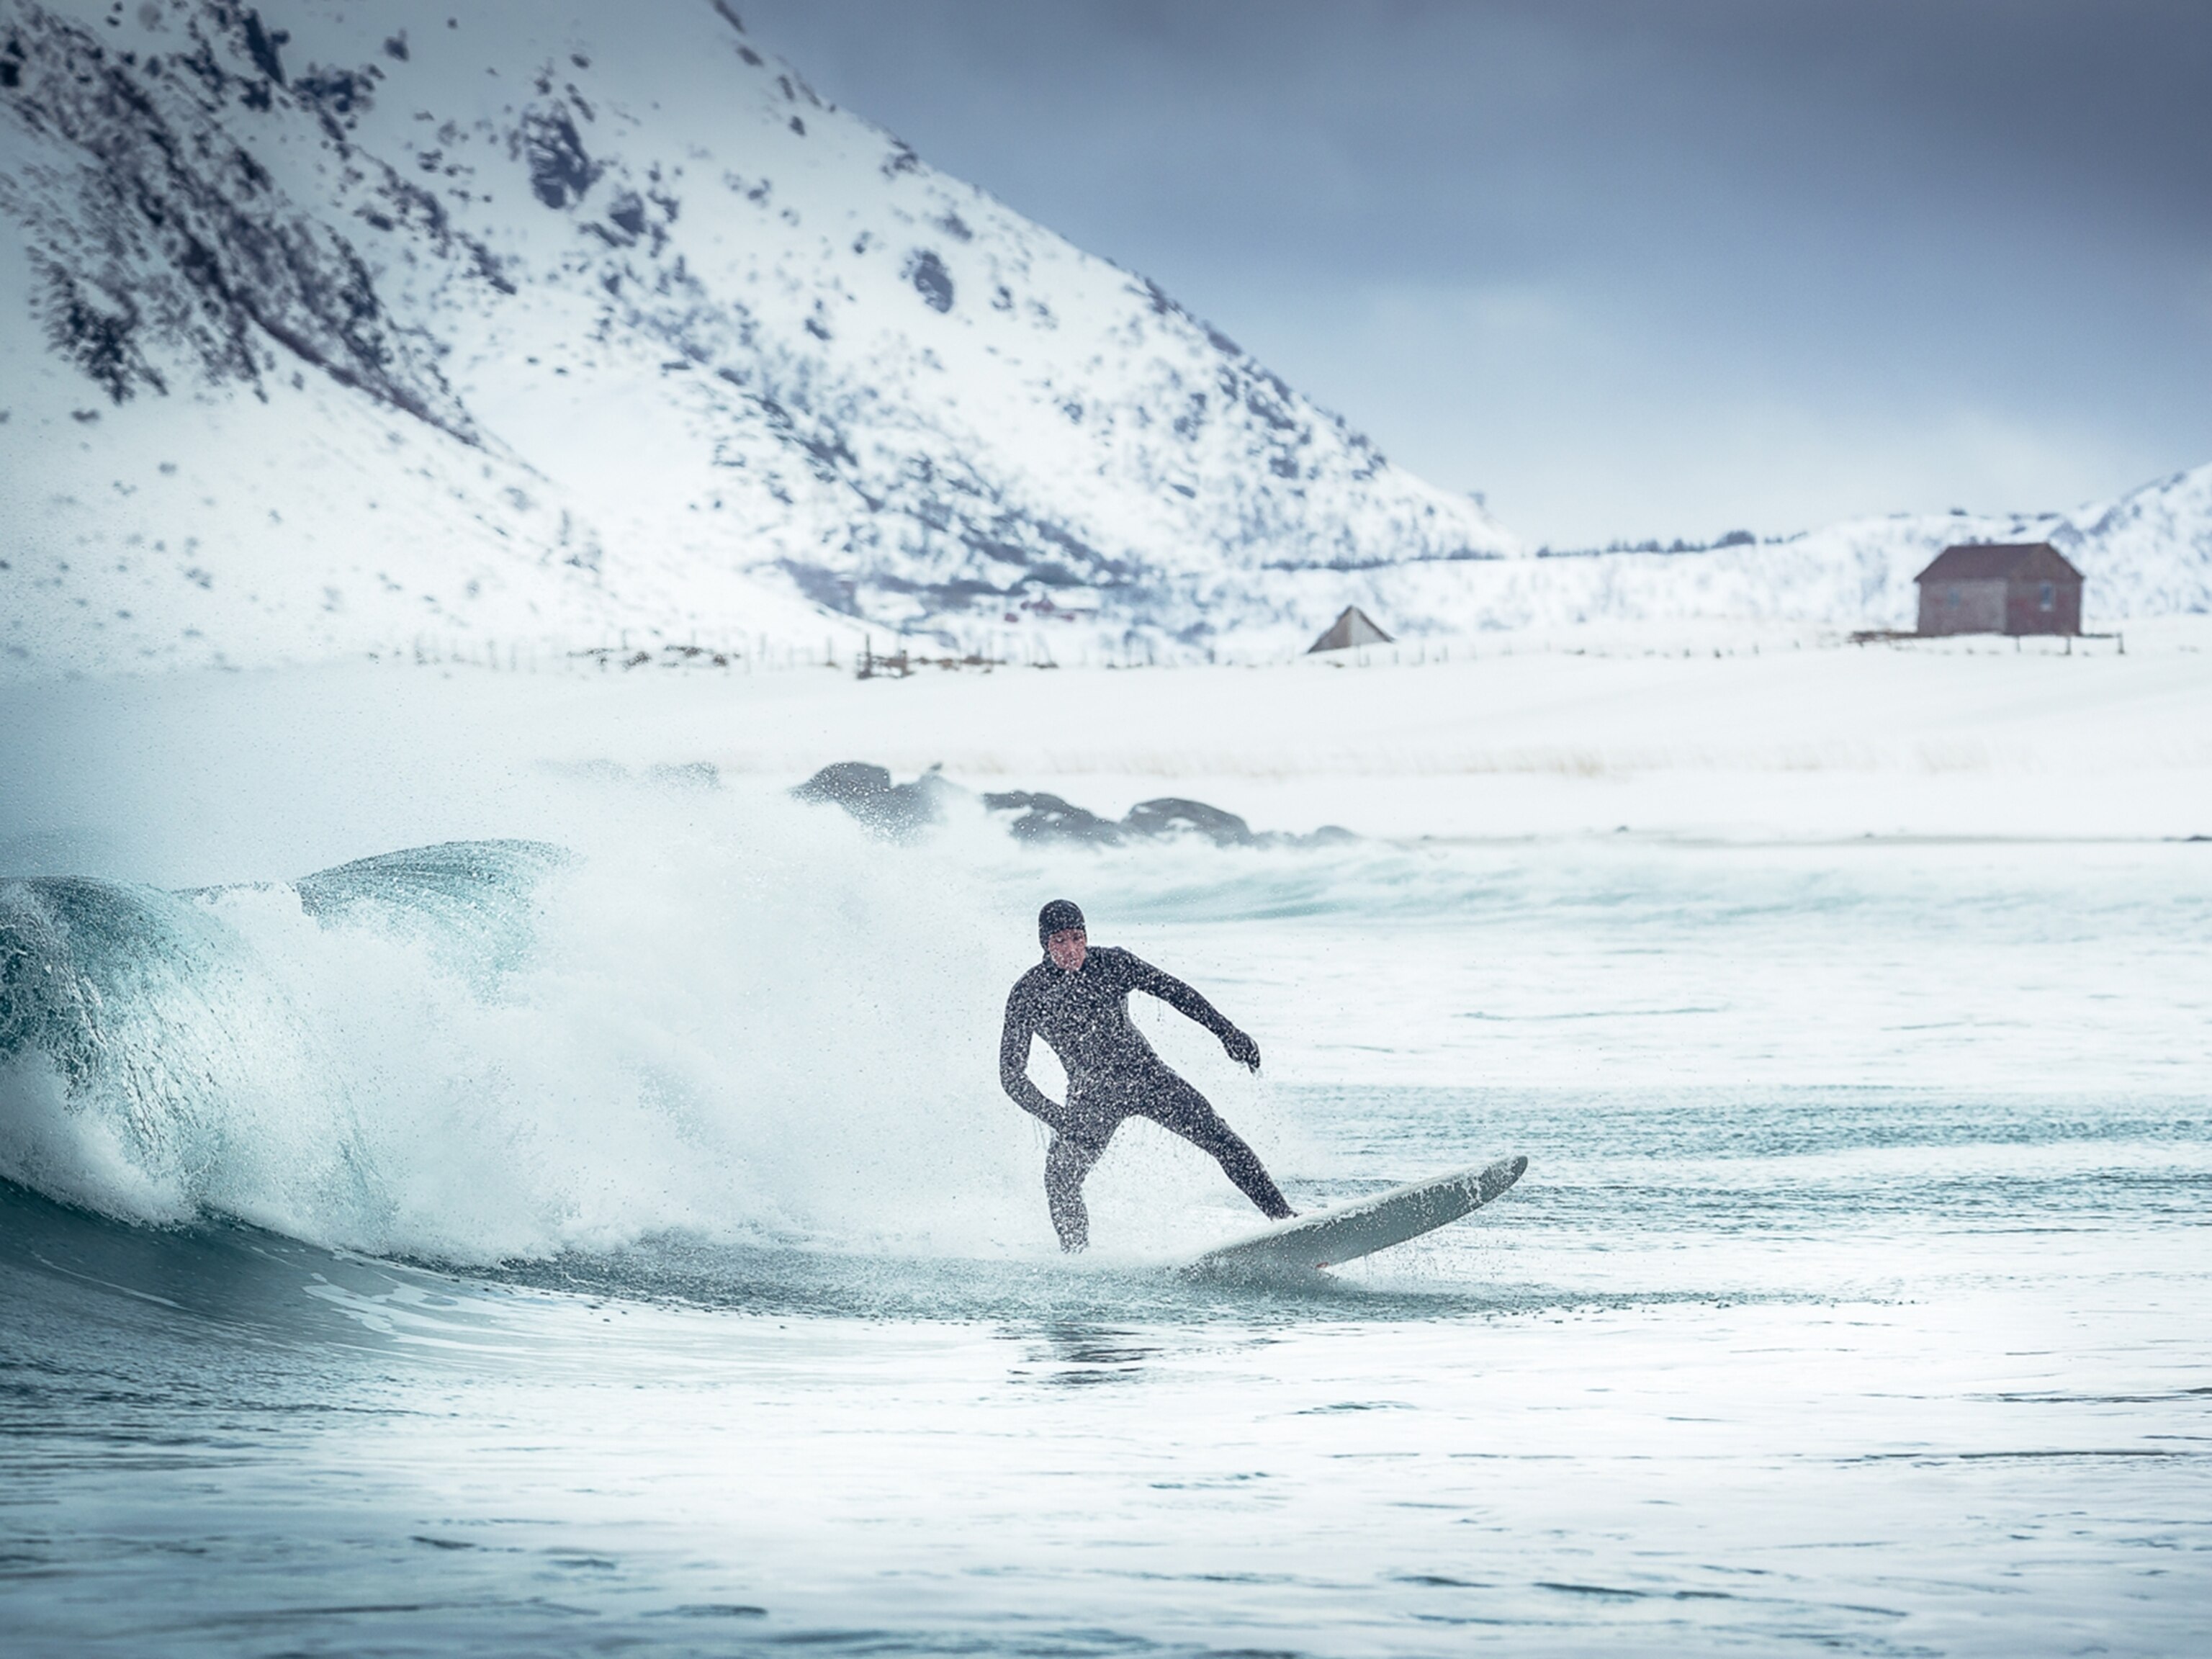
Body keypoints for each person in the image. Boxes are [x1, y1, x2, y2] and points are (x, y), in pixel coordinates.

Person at [999, 899, 1294, 1251]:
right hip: (1092, 1096)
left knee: (1222, 1140)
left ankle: (1287, 1222)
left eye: (1078, 938)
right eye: (1059, 941)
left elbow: (1176, 992)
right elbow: (1011, 1075)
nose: (1071, 950)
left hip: (1147, 1077)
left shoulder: (1113, 964)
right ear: (1045, 944)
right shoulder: (1028, 993)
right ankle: (1077, 1259)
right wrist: (1060, 1119)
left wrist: (1227, 1033)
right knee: (1060, 1179)